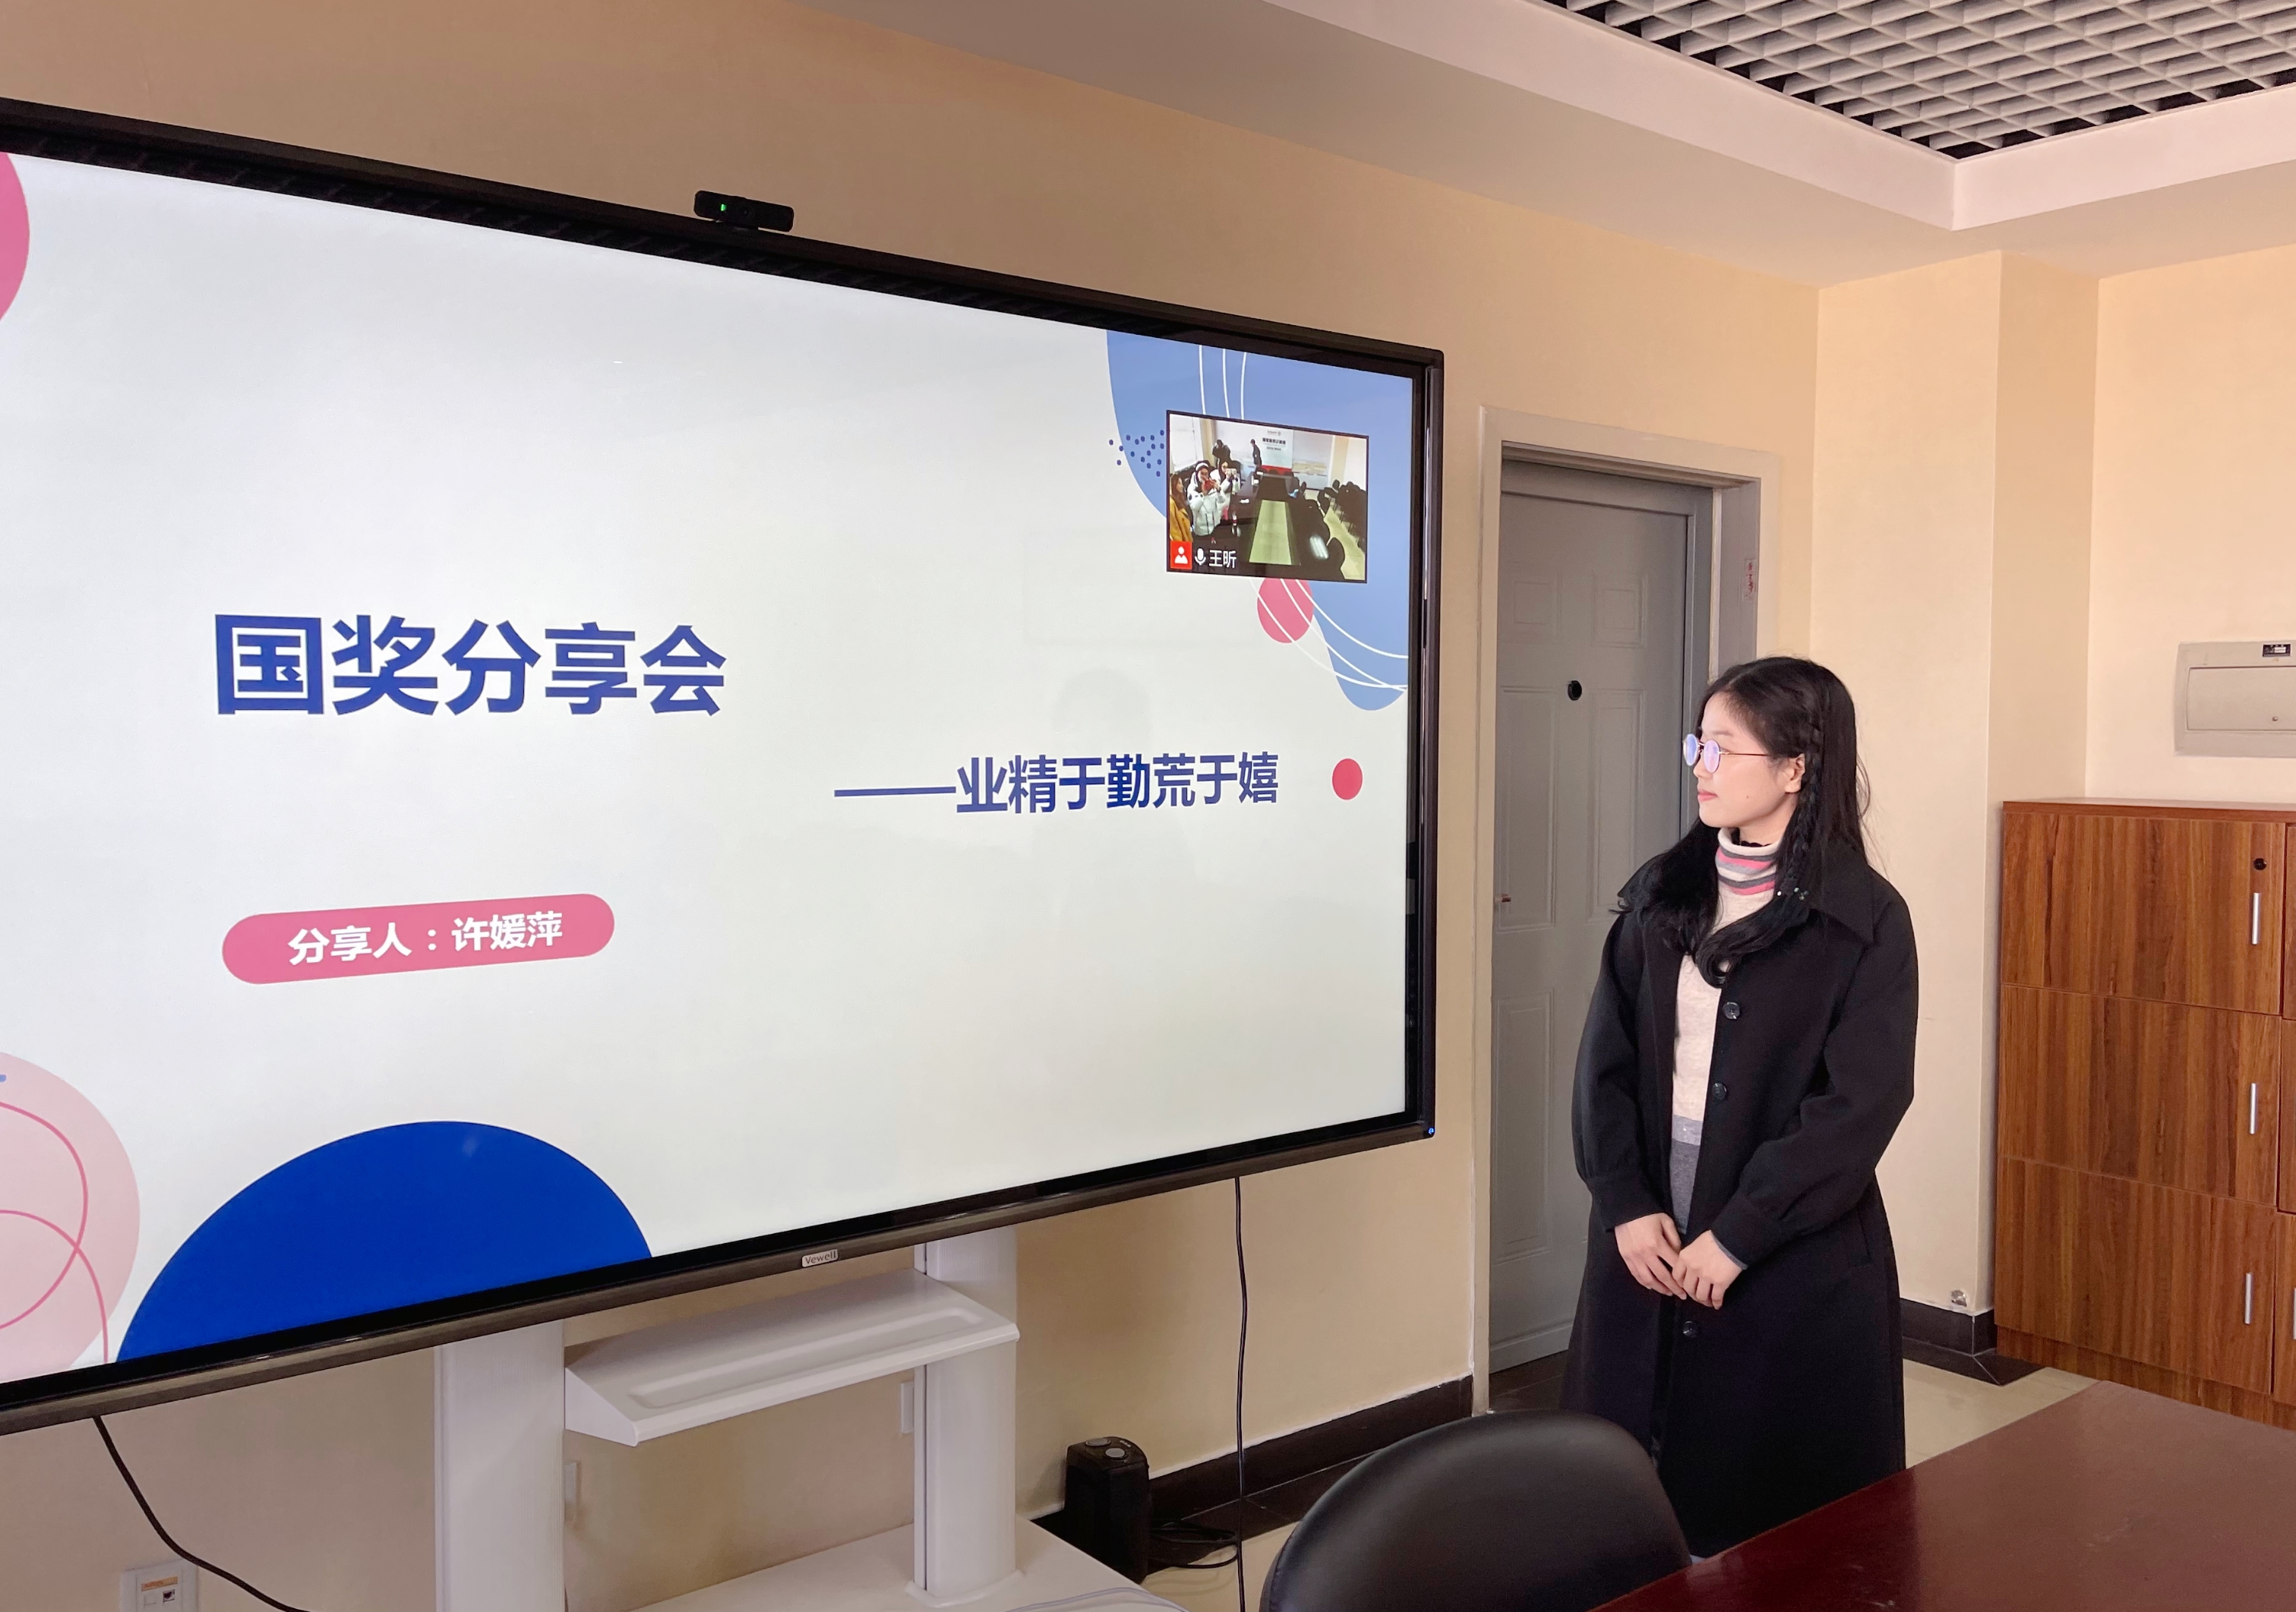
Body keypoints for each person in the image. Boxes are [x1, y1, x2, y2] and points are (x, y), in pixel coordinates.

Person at [1559, 656, 1916, 1557]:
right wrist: (1623, 1202)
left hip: (1788, 1236)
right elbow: (1603, 1064)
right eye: (1697, 744)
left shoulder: (1863, 918)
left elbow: (1858, 1104)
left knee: (1771, 1513)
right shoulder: (1661, 893)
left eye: (1722, 747)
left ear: (1795, 766)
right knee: (1620, 1487)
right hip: (1647, 1218)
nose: (1700, 766)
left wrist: (1739, 1234)